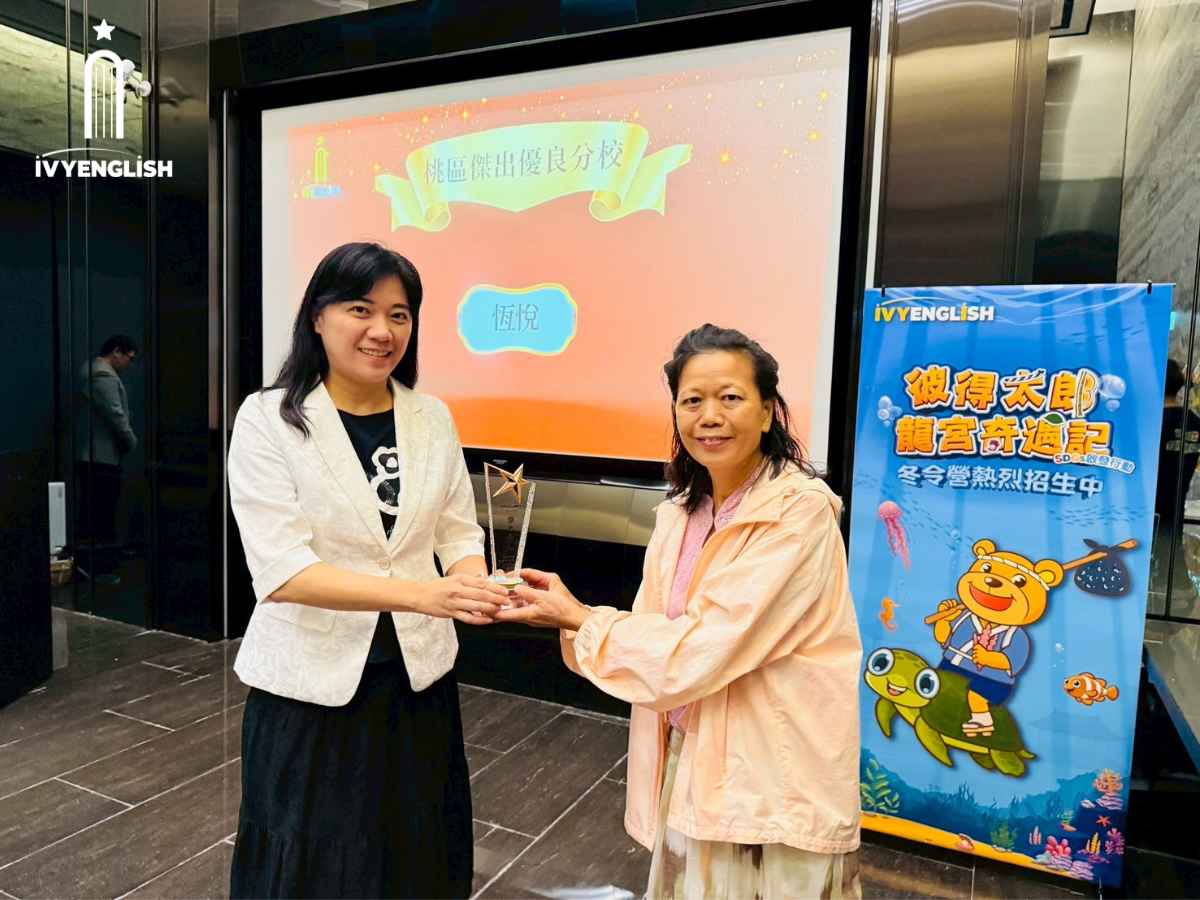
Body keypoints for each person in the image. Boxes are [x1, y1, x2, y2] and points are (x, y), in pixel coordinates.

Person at [497, 324, 863, 899]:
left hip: (771, 776)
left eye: (730, 397)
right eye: (692, 401)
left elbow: (699, 650)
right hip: (689, 753)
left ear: (768, 411)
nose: (709, 416)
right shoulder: (681, 512)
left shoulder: (799, 513)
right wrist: (572, 609)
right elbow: (660, 636)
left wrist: (579, 620)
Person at [226, 242, 509, 899]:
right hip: (310, 691)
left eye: (399, 315)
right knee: (315, 864)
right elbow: (284, 572)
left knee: (416, 854)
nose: (383, 331)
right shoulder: (268, 419)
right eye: (361, 309)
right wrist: (425, 595)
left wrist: (474, 583)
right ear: (317, 316)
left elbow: (456, 531)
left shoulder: (430, 417)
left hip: (417, 680)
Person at [74, 334, 139, 585]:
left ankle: (93, 566)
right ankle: (98, 569)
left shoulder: (93, 371)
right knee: (101, 514)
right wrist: (131, 441)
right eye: (129, 358)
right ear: (116, 351)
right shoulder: (103, 376)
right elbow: (116, 416)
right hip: (101, 457)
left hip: (95, 455)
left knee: (95, 512)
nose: (129, 364)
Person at [1152, 357, 1200, 611]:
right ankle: (1174, 598)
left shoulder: (1149, 422)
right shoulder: (1193, 422)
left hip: (1148, 504)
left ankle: (1158, 601)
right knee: (1170, 551)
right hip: (1176, 500)